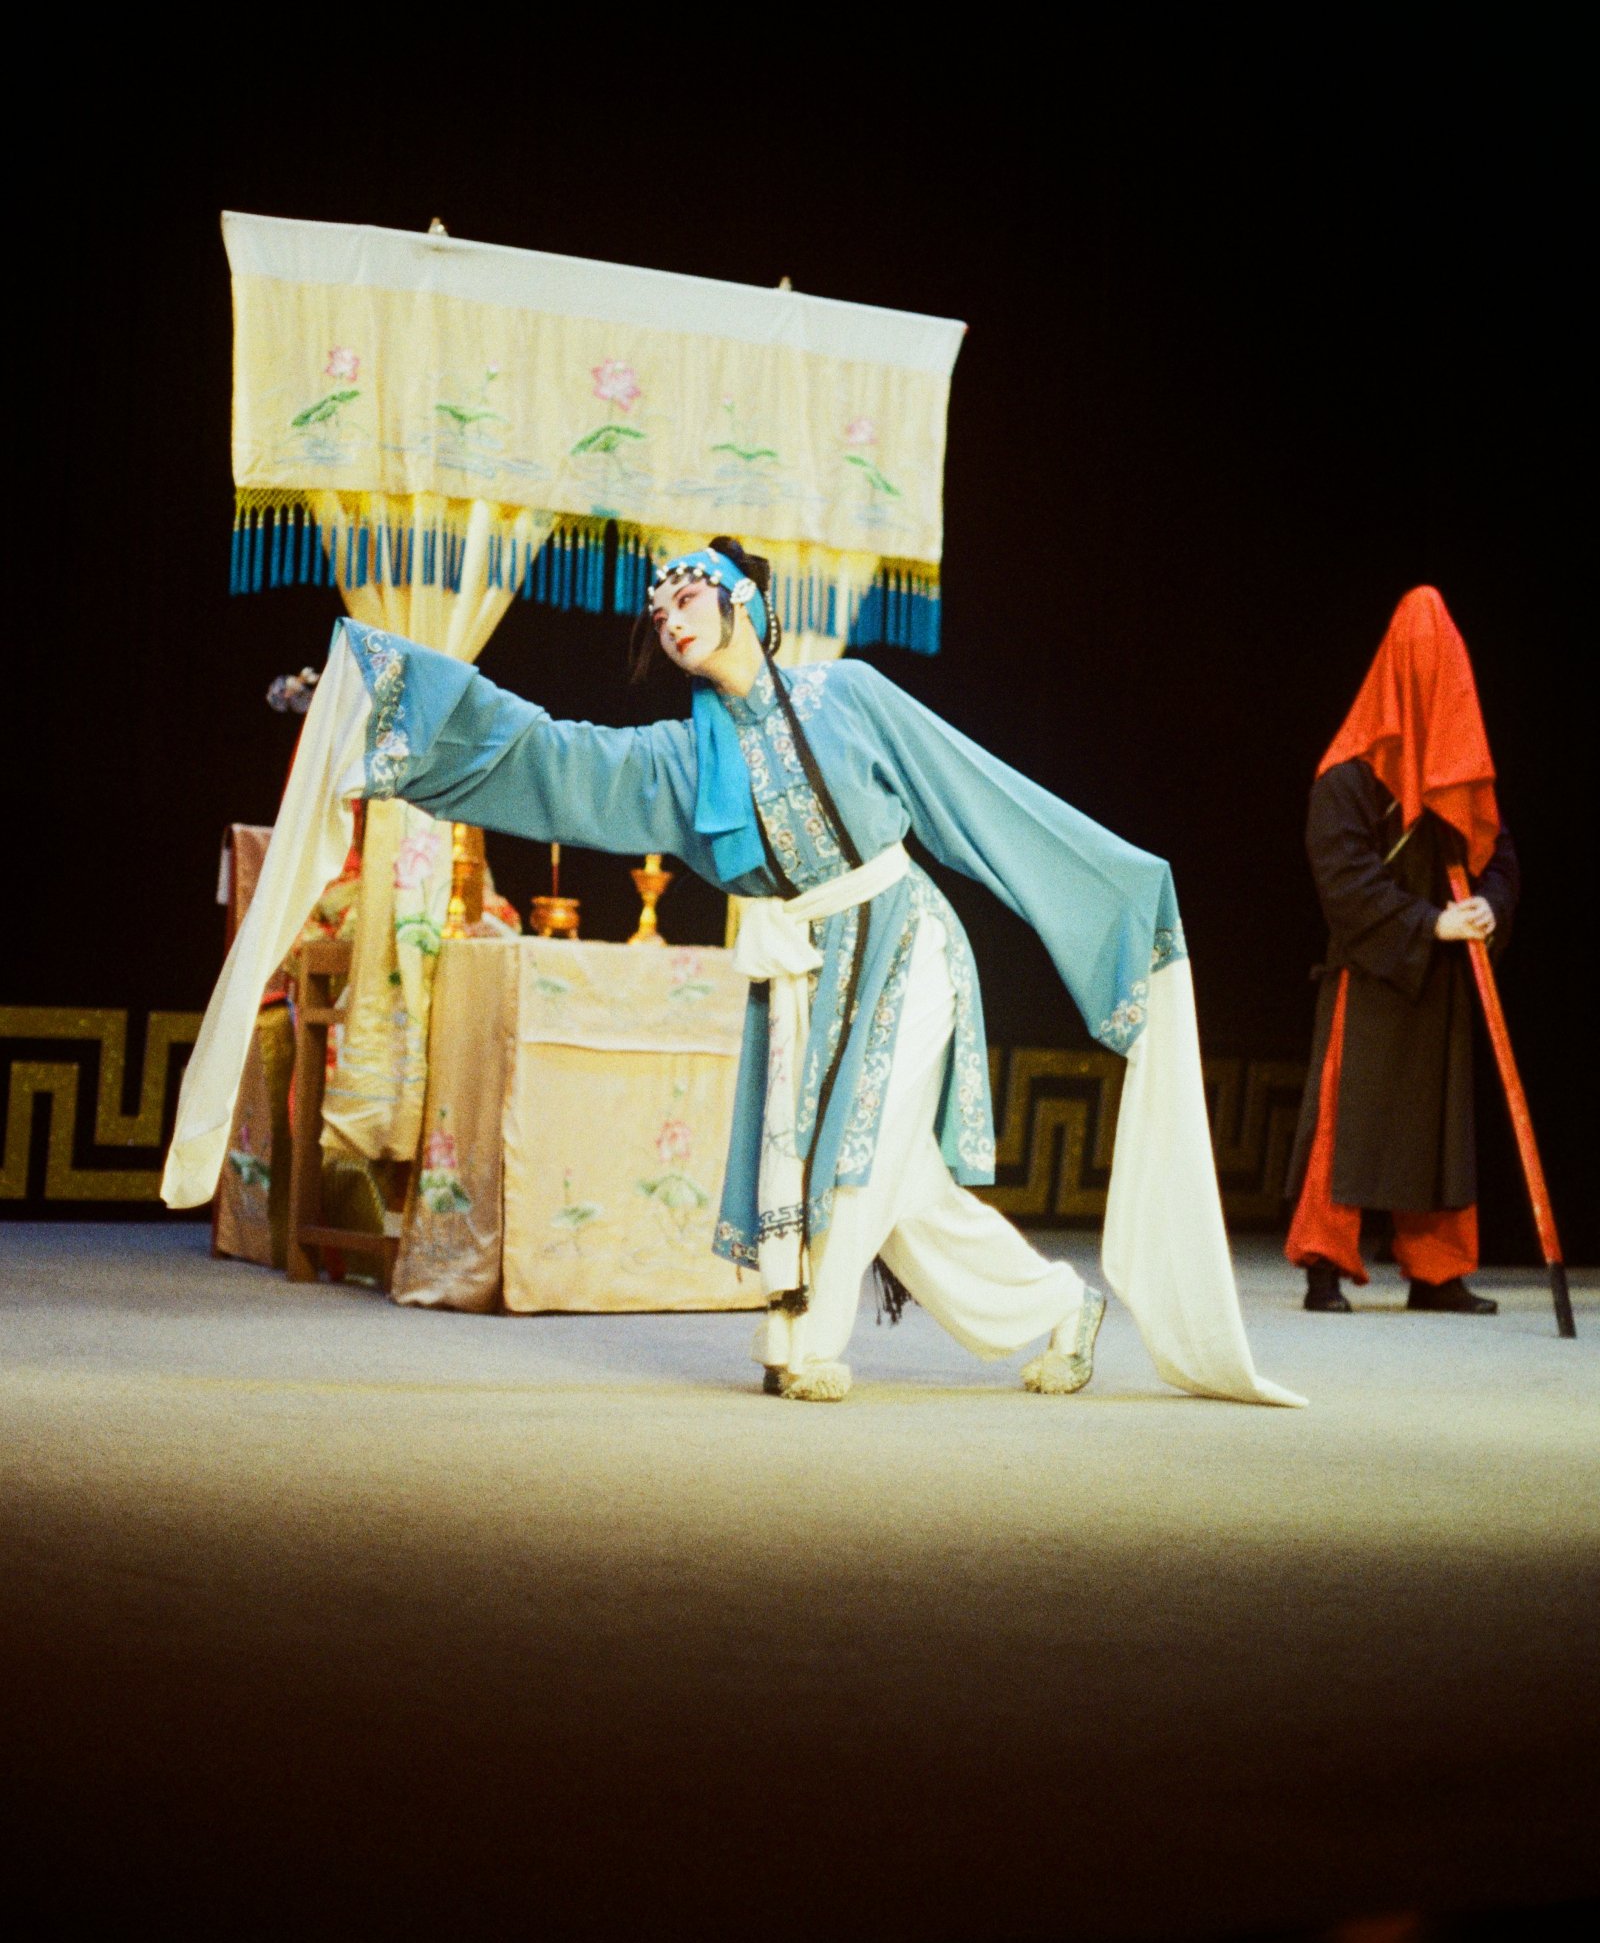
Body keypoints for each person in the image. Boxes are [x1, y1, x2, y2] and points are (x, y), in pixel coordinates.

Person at [166, 538, 1300, 1409]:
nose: (668, 618)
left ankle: (808, 1341)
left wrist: (1111, 883)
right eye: (655, 611)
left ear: (743, 600)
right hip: (809, 965)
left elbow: (974, 796)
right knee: (899, 1188)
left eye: (685, 595)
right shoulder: (682, 758)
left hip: (904, 942)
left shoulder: (852, 696)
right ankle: (1056, 1307)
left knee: (857, 1156)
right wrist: (388, 691)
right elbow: (551, 756)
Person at [1285, 586, 1519, 1315]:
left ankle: (1437, 1270)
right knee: (1345, 1119)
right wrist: (1428, 924)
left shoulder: (1455, 775)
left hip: (1439, 975)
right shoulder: (1346, 778)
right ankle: (1325, 1262)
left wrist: (1489, 907)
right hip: (1373, 969)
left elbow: (1498, 854)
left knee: (1439, 1124)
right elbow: (1344, 881)